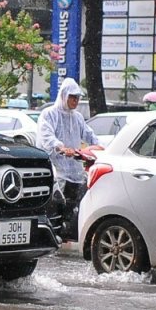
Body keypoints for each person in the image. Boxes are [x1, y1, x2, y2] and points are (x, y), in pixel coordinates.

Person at [37, 78, 100, 222]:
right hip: (56, 169)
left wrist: (100, 147)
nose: (75, 100)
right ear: (64, 95)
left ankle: (67, 230)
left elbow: (88, 134)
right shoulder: (49, 114)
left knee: (74, 204)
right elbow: (46, 136)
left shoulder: (77, 117)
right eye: (72, 97)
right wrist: (61, 148)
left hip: (74, 170)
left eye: (77, 97)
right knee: (56, 205)